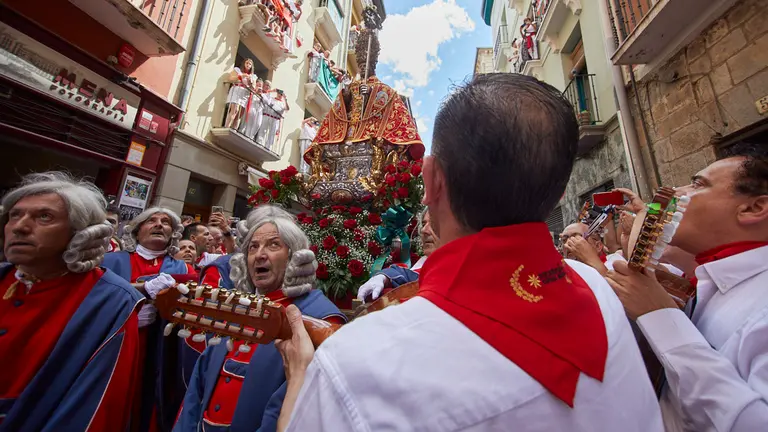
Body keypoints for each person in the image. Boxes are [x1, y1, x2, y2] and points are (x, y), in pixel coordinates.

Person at [274, 74, 663, 431]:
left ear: (431, 180)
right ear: (559, 192)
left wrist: (299, 379)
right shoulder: (598, 289)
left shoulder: (357, 363)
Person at [605, 143, 768, 432]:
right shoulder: (709, 282)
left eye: (697, 184)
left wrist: (662, 318)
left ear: (753, 208)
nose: (678, 192)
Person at [174, 205, 347, 431]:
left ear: (294, 256)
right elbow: (198, 387)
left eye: (273, 245)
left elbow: (300, 405)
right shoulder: (238, 307)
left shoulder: (322, 319)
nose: (260, 254)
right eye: (253, 247)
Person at [0, 172, 143, 430]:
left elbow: (94, 407)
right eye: (14, 215)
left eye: (44, 217)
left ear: (80, 233)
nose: (20, 226)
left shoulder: (112, 302)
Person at [102, 207, 194, 432]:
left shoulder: (183, 268)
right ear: (136, 230)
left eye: (166, 222)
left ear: (173, 233)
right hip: (115, 347)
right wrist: (137, 296)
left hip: (159, 350)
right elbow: (95, 295)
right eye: (151, 220)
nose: (159, 224)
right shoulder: (111, 260)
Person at [357, 209, 438, 301]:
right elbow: (408, 274)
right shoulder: (424, 266)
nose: (424, 230)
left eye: (433, 223)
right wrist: (382, 277)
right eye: (423, 224)